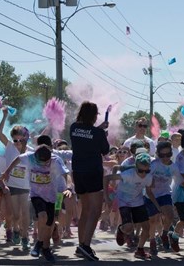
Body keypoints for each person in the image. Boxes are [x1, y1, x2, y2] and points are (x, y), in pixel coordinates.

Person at [2, 144, 69, 262]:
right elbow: (17, 159)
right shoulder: (30, 157)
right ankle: (39, 243)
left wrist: (68, 187)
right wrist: (7, 171)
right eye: (40, 163)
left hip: (51, 196)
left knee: (49, 223)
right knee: (42, 216)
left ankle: (45, 248)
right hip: (36, 194)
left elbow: (65, 174)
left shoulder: (56, 160)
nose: (43, 165)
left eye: (46, 163)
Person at [70, 101, 109, 261]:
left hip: (78, 173)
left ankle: (81, 245)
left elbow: (86, 134)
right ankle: (86, 245)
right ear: (94, 116)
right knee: (96, 210)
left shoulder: (73, 128)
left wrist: (98, 130)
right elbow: (105, 150)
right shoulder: (98, 134)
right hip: (93, 172)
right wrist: (102, 133)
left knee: (85, 210)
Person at [105, 152, 157, 259]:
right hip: (124, 200)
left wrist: (157, 205)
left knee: (146, 228)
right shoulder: (128, 174)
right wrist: (106, 197)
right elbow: (106, 178)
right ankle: (121, 229)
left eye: (146, 171)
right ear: (135, 167)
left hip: (137, 201)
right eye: (140, 170)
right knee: (129, 228)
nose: (143, 173)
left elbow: (150, 191)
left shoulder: (149, 177)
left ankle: (140, 250)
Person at [0, 107, 32, 249]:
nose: (16, 142)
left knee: (25, 213)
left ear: (25, 138)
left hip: (26, 187)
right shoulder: (10, 147)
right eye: (14, 139)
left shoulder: (31, 151)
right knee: (16, 215)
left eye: (19, 139)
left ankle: (25, 238)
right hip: (12, 186)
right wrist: (4, 116)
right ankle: (16, 230)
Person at [144, 141, 179, 255]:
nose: (165, 158)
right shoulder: (154, 164)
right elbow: (147, 186)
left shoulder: (173, 166)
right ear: (158, 154)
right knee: (153, 220)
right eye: (162, 155)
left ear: (171, 153)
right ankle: (152, 242)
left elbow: (180, 180)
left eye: (168, 155)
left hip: (164, 193)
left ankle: (164, 234)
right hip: (151, 195)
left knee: (170, 216)